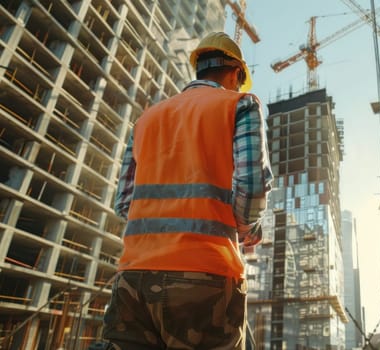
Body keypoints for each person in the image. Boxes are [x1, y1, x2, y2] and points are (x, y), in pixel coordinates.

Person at [102, 31, 273, 349]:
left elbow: (125, 202)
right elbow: (252, 187)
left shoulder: (146, 120)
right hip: (205, 277)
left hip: (133, 279)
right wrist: (247, 231)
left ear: (199, 69)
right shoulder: (240, 105)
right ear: (236, 73)